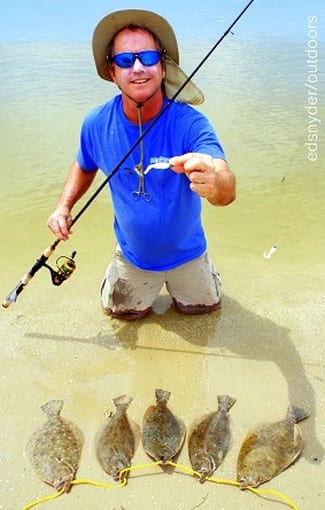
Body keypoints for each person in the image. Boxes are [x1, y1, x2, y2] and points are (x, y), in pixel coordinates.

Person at [47, 9, 236, 321]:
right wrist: (63, 206)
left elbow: (225, 184)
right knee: (119, 315)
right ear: (111, 72)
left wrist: (215, 183)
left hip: (189, 255)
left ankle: (204, 275)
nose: (137, 68)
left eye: (148, 57)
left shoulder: (191, 124)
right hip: (133, 259)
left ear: (163, 68)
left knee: (203, 312)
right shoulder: (95, 123)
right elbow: (84, 163)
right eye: (124, 60)